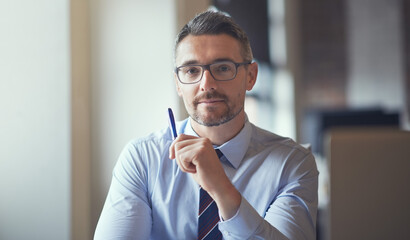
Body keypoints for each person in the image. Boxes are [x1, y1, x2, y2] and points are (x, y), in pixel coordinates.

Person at [94, 10, 318, 240]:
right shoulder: (142, 158)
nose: (206, 84)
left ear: (251, 76)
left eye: (222, 68)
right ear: (178, 85)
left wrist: (221, 189)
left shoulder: (292, 164)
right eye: (191, 70)